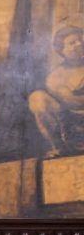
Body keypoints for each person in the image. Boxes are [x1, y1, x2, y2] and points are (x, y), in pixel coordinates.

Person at [28, 25, 84, 158]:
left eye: (80, 40)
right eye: (72, 43)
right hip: (72, 127)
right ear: (62, 50)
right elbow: (69, 103)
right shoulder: (56, 77)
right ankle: (59, 147)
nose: (79, 44)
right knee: (37, 98)